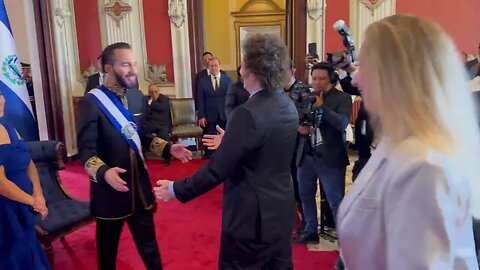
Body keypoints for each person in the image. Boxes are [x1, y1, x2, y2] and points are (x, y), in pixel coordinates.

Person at [337, 15, 480, 269]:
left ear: (395, 75)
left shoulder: (425, 165)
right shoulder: (394, 143)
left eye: (367, 67)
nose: (357, 80)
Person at [155, 34, 299, 269]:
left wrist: (176, 189)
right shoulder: (287, 104)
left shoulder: (247, 113)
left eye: (242, 64)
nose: (240, 70)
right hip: (281, 210)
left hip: (250, 219)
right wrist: (232, 140)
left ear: (251, 71)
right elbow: (266, 148)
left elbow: (216, 169)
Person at [77, 42, 192, 270]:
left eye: (134, 64)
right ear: (108, 68)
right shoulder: (91, 103)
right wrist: (104, 172)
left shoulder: (138, 97)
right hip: (110, 192)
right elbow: (86, 152)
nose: (133, 70)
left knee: (150, 249)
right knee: (107, 255)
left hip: (139, 191)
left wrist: (169, 148)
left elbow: (145, 136)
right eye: (126, 65)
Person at [293, 62, 351, 244]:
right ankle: (310, 230)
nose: (317, 82)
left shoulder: (342, 98)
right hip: (307, 154)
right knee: (305, 196)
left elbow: (341, 123)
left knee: (335, 200)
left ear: (331, 79)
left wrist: (321, 107)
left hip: (330, 157)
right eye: (314, 78)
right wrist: (298, 128)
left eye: (322, 78)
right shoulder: (305, 96)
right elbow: (295, 117)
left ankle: (345, 240)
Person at [0, 90, 51, 270]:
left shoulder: (9, 127)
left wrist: (38, 195)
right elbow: (1, 184)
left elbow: (28, 162)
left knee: (30, 252)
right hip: (5, 212)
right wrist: (33, 201)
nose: (1, 100)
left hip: (24, 205)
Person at [197, 57, 233, 158]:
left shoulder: (228, 80)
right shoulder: (203, 81)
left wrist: (231, 113)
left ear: (220, 66)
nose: (214, 68)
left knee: (226, 138)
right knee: (209, 139)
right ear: (208, 68)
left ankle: (225, 157)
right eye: (211, 66)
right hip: (209, 115)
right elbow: (200, 99)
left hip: (225, 114)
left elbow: (231, 98)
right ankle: (209, 160)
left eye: (216, 65)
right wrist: (201, 116)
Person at [146, 84, 173, 165]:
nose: (154, 94)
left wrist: (150, 103)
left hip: (162, 125)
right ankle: (143, 156)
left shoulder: (165, 99)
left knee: (164, 137)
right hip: (151, 124)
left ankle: (167, 158)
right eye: (151, 92)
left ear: (159, 91)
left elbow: (161, 108)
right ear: (149, 93)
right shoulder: (146, 99)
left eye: (155, 91)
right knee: (142, 133)